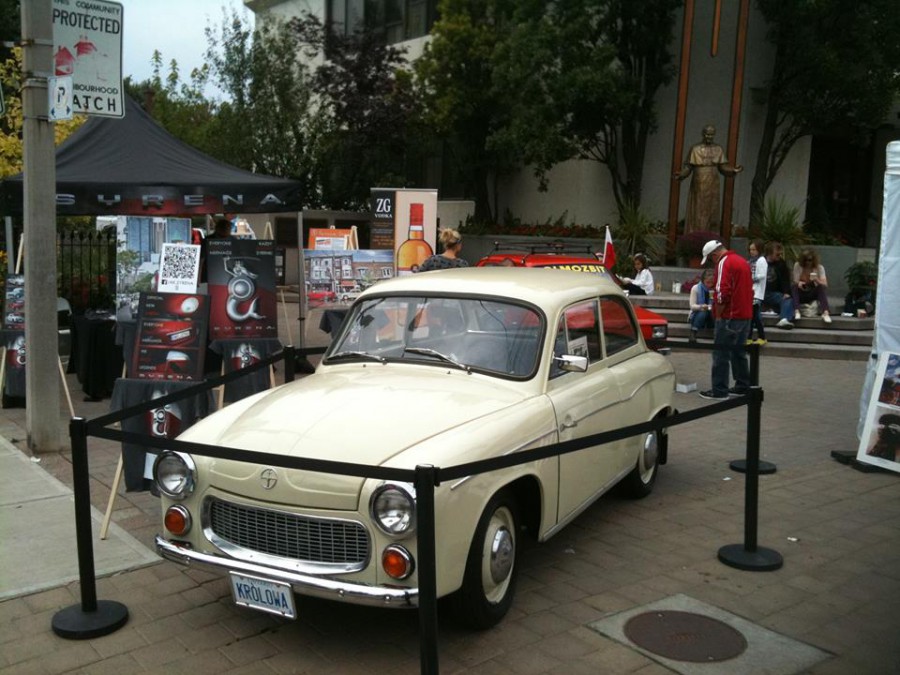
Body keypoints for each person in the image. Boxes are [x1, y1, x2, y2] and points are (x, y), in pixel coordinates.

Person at [698, 239, 753, 400]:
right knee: (738, 352)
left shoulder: (724, 262)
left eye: (710, 259)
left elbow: (722, 292)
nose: (712, 263)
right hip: (744, 314)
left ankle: (719, 390)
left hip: (729, 316)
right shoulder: (742, 261)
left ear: (714, 254)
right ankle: (742, 385)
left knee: (721, 354)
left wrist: (718, 315)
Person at [674, 125, 743, 233]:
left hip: (713, 182)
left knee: (712, 208)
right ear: (703, 134)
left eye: (711, 135)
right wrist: (681, 174)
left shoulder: (718, 149)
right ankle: (697, 233)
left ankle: (710, 233)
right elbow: (688, 167)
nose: (709, 137)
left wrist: (733, 170)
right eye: (707, 134)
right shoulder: (695, 149)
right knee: (698, 208)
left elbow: (723, 167)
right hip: (699, 181)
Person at [791, 247, 832, 323]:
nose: (807, 262)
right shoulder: (798, 266)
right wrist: (799, 283)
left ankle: (825, 312)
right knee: (794, 287)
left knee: (820, 288)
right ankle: (796, 311)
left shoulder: (819, 268)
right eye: (805, 260)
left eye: (809, 260)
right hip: (801, 292)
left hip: (812, 292)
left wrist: (816, 279)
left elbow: (825, 285)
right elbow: (795, 280)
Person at [762, 241, 795, 329]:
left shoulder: (781, 263)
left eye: (780, 254)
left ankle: (784, 319)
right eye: (777, 254)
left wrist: (786, 292)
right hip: (760, 292)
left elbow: (785, 279)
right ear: (770, 253)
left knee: (787, 299)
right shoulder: (760, 262)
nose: (779, 256)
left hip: (774, 293)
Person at [747, 239, 768, 345]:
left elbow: (762, 275)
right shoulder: (751, 261)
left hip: (757, 292)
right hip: (751, 291)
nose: (752, 251)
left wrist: (750, 278)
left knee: (754, 316)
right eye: (750, 249)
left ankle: (761, 337)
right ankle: (749, 337)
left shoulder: (761, 260)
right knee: (752, 316)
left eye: (754, 249)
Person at [688, 268, 715, 343]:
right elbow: (692, 306)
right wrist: (701, 306)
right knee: (703, 312)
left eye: (712, 283)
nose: (710, 285)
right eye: (707, 282)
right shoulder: (696, 288)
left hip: (712, 314)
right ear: (703, 280)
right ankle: (693, 333)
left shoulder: (715, 289)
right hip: (698, 313)